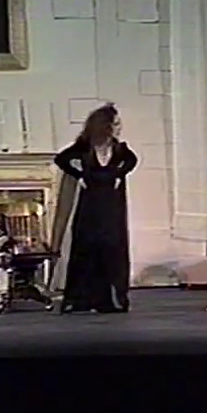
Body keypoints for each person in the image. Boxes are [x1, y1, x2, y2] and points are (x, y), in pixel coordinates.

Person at [52, 104, 138, 313]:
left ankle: (111, 299)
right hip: (90, 208)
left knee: (112, 250)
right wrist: (79, 175)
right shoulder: (84, 148)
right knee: (87, 250)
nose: (118, 127)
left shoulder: (119, 149)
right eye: (115, 123)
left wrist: (119, 175)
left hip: (111, 208)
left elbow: (132, 161)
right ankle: (80, 298)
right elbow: (61, 159)